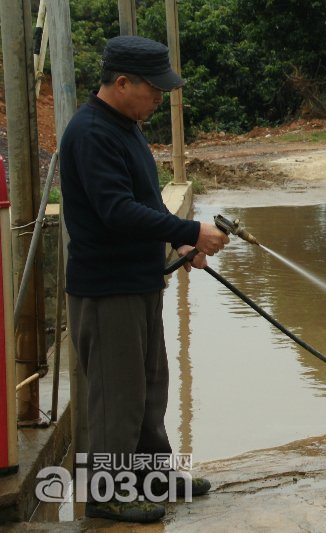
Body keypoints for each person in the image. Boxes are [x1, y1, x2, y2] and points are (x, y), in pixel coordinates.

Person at [60, 35, 229, 523]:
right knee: (117, 393)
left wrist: (181, 245)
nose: (159, 98)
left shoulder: (127, 125)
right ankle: (106, 493)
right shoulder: (91, 133)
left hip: (139, 281)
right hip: (107, 287)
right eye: (154, 89)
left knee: (149, 386)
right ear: (121, 82)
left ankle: (153, 475)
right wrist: (190, 228)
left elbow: (146, 198)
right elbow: (116, 211)